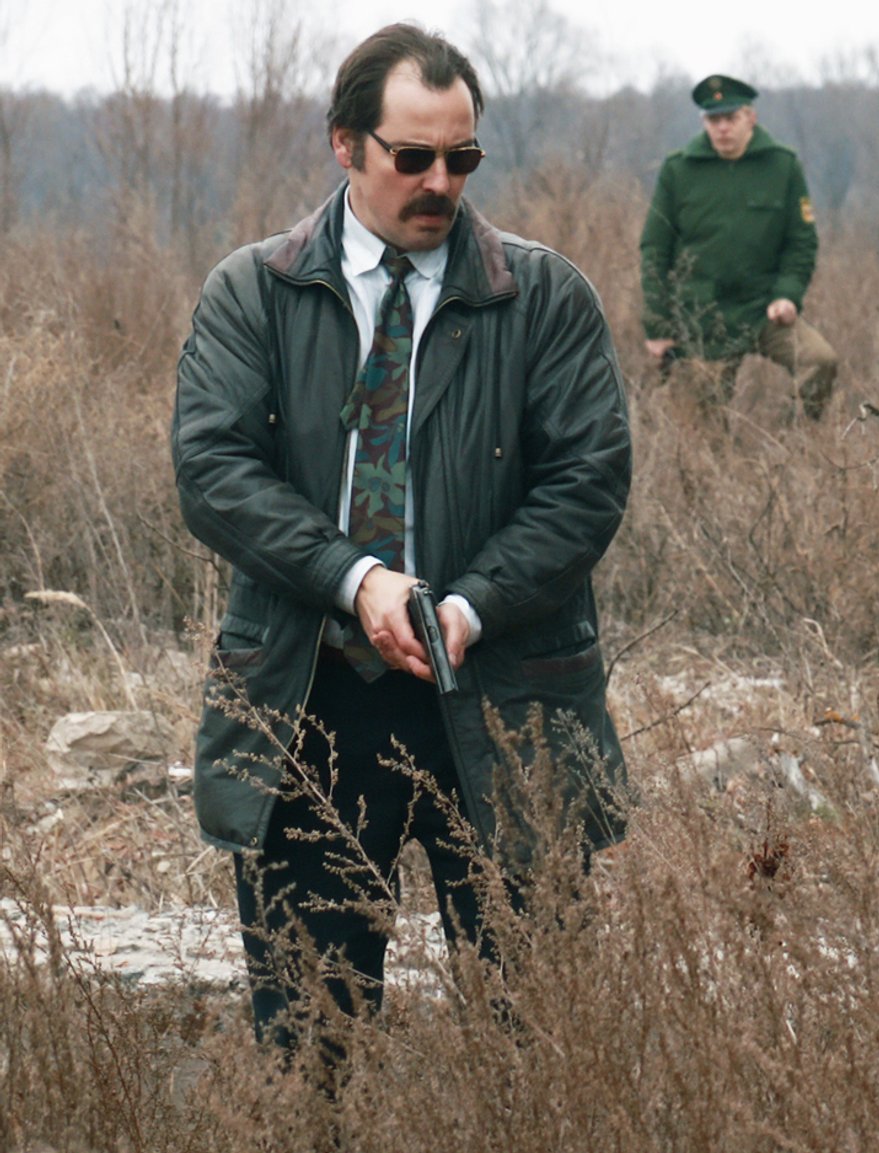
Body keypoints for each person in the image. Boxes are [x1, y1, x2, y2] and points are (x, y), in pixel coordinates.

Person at [171, 23, 631, 1060]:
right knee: (310, 1048)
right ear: (345, 145)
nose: (439, 181)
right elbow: (213, 471)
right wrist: (355, 579)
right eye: (411, 156)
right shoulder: (255, 290)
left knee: (540, 1045)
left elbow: (587, 484)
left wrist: (464, 607)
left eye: (461, 157)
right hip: (307, 702)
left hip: (509, 699)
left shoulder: (543, 296)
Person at [640, 74, 837, 422]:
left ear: (751, 118)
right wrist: (659, 327)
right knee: (704, 426)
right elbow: (654, 251)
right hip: (702, 315)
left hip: (764, 309)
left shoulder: (782, 166)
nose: (723, 129)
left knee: (819, 361)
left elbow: (801, 242)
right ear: (704, 122)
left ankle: (797, 441)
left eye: (731, 118)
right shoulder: (679, 169)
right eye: (714, 120)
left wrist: (787, 296)